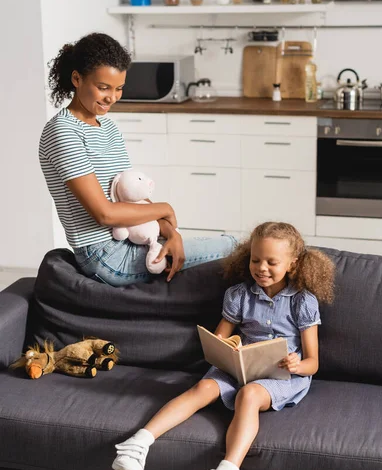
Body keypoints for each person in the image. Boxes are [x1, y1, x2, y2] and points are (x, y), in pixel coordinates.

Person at [111, 221, 335, 470]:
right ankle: (138, 444)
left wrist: (296, 364)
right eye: (256, 259)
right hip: (239, 365)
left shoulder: (302, 302)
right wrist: (227, 346)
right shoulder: (239, 294)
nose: (261, 268)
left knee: (249, 394)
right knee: (203, 386)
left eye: (271, 262)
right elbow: (219, 338)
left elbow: (313, 363)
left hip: (283, 376)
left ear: (292, 264)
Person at [39, 32, 236, 285]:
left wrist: (170, 232)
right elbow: (105, 215)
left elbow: (134, 198)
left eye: (119, 88)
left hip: (135, 237)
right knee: (233, 246)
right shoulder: (63, 132)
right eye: (103, 88)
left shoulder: (108, 128)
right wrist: (165, 209)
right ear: (77, 78)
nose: (112, 97)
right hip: (104, 256)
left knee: (233, 245)